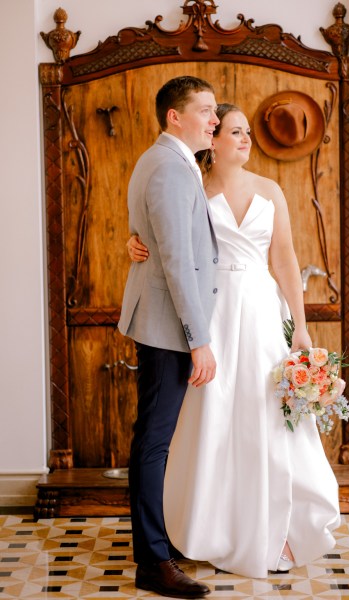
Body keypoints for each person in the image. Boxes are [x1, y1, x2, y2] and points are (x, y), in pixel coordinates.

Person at [128, 103, 341, 579]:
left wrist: (301, 326)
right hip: (214, 313)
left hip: (264, 311)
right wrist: (133, 242)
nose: (245, 139)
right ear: (214, 139)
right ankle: (210, 530)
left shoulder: (270, 190)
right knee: (214, 418)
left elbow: (284, 260)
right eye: (235, 131)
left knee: (266, 415)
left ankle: (279, 528)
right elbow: (166, 242)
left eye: (248, 131)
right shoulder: (193, 188)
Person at [118, 76, 220, 598]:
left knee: (154, 439)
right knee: (153, 442)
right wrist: (198, 339)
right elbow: (178, 262)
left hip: (164, 319)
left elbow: (155, 238)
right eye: (204, 110)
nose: (214, 119)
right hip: (167, 325)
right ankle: (152, 561)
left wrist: (134, 242)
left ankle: (155, 546)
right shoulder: (169, 168)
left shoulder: (165, 162)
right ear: (174, 116)